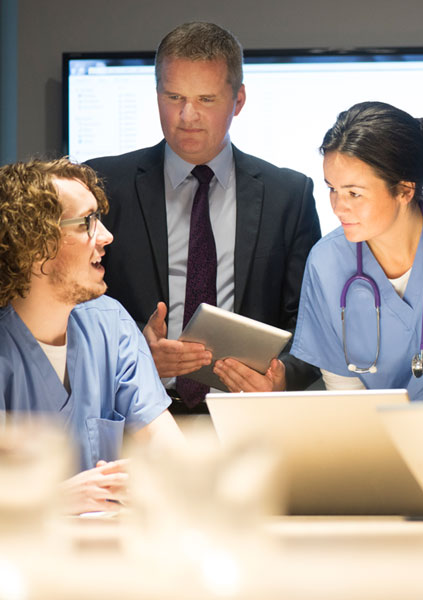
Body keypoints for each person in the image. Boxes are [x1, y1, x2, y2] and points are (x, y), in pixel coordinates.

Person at [86, 22, 321, 414]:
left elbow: (310, 326)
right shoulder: (106, 185)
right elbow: (72, 310)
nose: (187, 115)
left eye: (206, 99)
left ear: (238, 101)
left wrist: (282, 377)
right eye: (174, 96)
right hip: (132, 415)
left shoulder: (288, 194)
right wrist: (134, 358)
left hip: (249, 417)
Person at [240, 101, 423, 400]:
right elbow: (347, 396)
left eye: (354, 193)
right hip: (379, 434)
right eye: (332, 189)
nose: (338, 207)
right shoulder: (328, 262)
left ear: (404, 190)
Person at [0, 158, 183, 515]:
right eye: (87, 223)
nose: (106, 237)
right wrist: (51, 499)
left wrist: (151, 477)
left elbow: (172, 452)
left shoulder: (111, 326)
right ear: (35, 245)